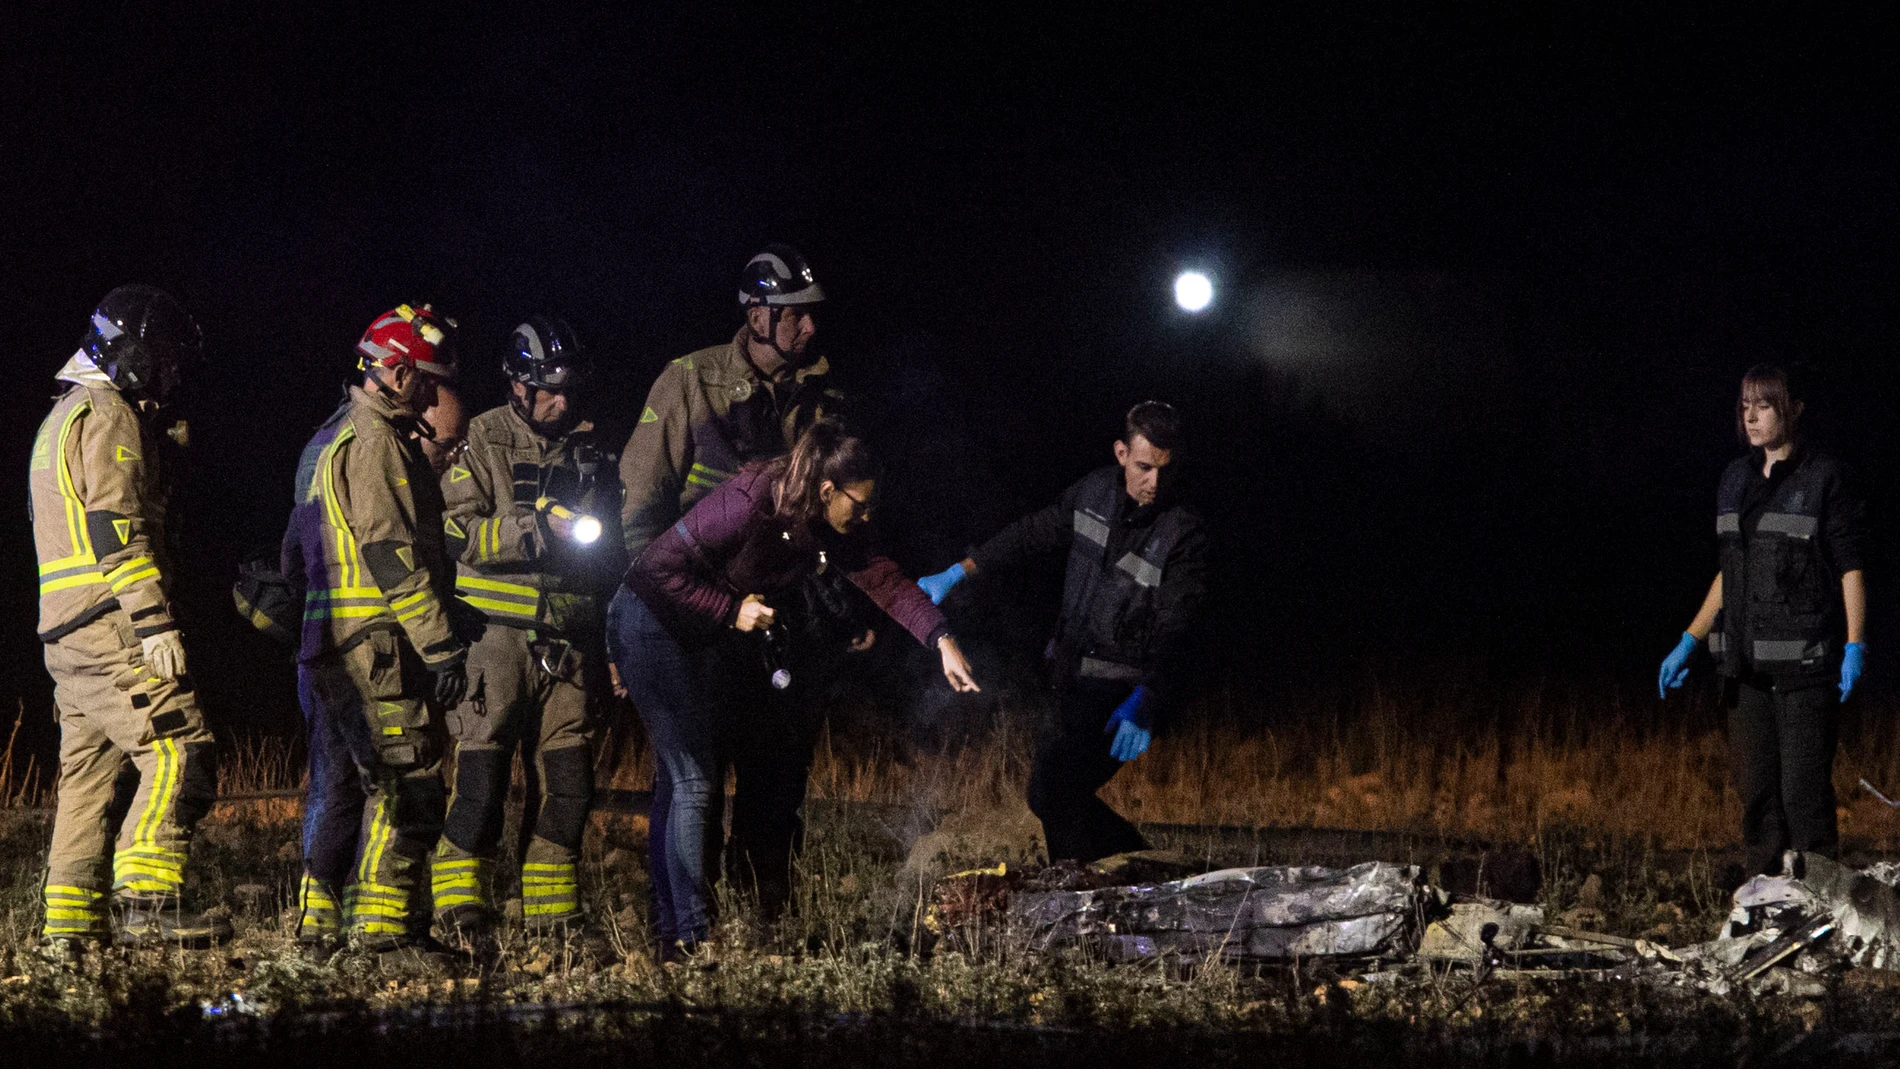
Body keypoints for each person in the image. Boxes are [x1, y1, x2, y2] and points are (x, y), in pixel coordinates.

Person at [612, 420, 979, 955]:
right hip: (649, 621)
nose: (867, 515)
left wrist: (941, 639)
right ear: (827, 491)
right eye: (860, 504)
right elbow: (653, 570)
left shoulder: (827, 524)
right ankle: (690, 938)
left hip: (693, 630)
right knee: (694, 780)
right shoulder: (750, 499)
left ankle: (673, 937)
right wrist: (730, 608)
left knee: (681, 781)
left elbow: (886, 581)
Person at [917, 402, 1207, 863]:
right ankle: (1144, 868)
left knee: (1056, 793)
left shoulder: (1182, 534)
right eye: (1144, 467)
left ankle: (1090, 889)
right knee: (1050, 796)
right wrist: (960, 570)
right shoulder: (1093, 491)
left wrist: (1149, 697)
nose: (1155, 482)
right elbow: (1032, 534)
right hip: (1070, 676)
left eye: (1165, 470)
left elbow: (1180, 626)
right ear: (1120, 453)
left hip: (1120, 692)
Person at [28, 285, 228, 952]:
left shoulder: (61, 415)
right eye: (167, 362)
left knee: (84, 781)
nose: (172, 377)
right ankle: (146, 896)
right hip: (114, 623)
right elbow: (116, 526)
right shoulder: (108, 412)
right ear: (137, 354)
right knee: (181, 749)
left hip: (64, 634)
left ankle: (69, 933)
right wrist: (154, 620)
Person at [284, 303, 480, 952]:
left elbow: (295, 558)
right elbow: (392, 553)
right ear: (396, 375)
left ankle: (319, 927)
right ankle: (385, 931)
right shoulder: (379, 442)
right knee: (410, 785)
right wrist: (441, 644)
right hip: (375, 646)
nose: (432, 393)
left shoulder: (323, 440)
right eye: (425, 379)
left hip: (326, 649)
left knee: (337, 789)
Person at [431, 317, 623, 945]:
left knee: (570, 783)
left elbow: (613, 551)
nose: (561, 402)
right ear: (516, 385)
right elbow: (454, 532)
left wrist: (610, 640)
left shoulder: (592, 448)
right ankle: (458, 909)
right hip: (493, 641)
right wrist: (532, 532)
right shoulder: (480, 438)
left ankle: (552, 917)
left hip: (567, 645)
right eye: (547, 389)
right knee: (481, 784)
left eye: (569, 389)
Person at [1658, 363, 1868, 876]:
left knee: (1804, 798)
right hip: (1743, 670)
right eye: (1745, 406)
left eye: (1765, 405)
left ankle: (1820, 913)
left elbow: (1850, 567)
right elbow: (1731, 572)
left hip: (1805, 670)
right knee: (1758, 801)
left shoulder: (1823, 478)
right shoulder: (1734, 478)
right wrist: (1690, 638)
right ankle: (1766, 907)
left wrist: (1856, 644)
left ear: (1793, 410)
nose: (1751, 417)